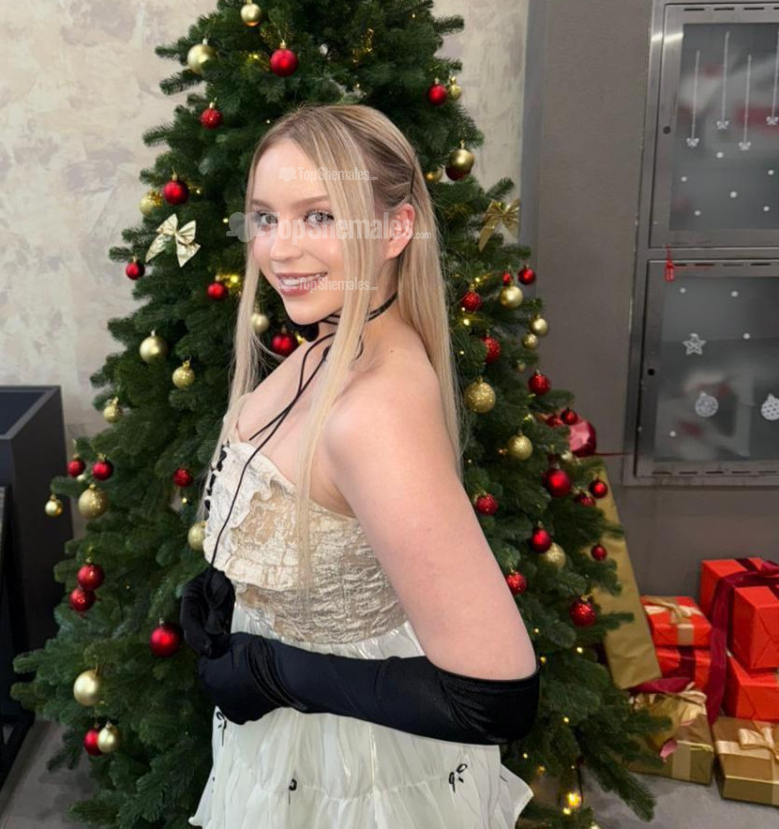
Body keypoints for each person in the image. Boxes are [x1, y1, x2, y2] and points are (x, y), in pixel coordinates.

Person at [184, 103, 539, 827]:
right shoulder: (327, 343)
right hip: (289, 753)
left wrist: (269, 671)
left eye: (319, 216)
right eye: (265, 218)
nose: (281, 249)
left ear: (395, 229)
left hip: (356, 774)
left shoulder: (373, 412)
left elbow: (495, 698)